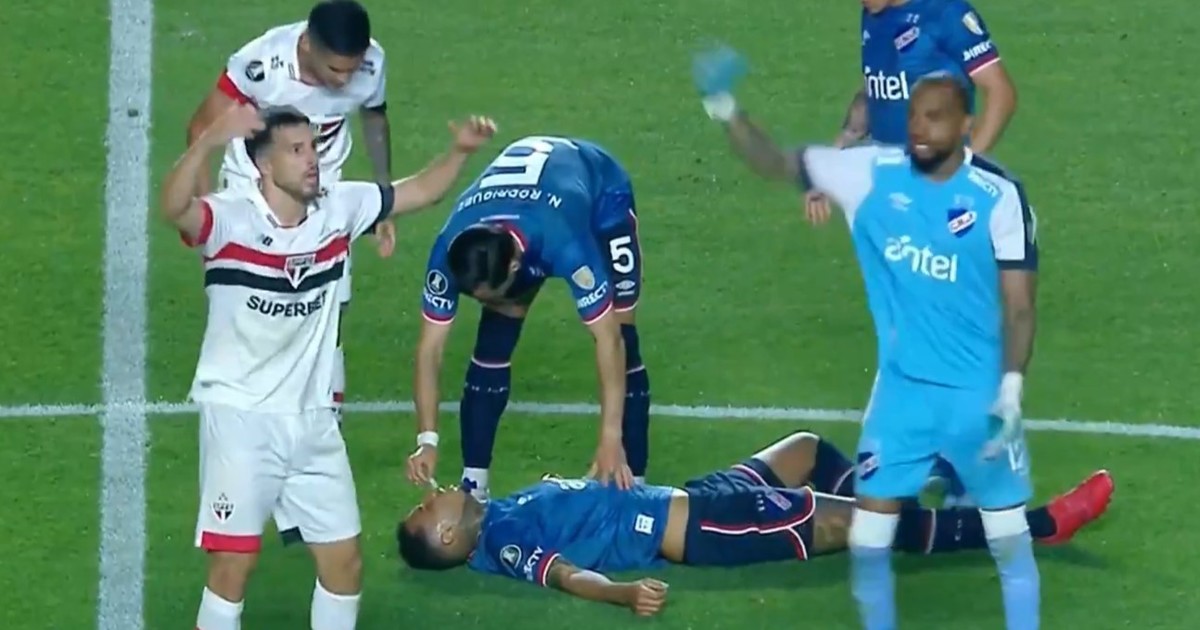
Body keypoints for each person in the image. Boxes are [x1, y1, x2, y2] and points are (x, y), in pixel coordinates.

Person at [694, 45, 1042, 629]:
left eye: (935, 117)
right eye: (914, 116)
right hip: (901, 395)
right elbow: (776, 162)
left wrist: (1009, 392)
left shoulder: (999, 197)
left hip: (977, 397)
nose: (920, 129)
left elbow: (1020, 306)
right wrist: (724, 106)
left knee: (1008, 539)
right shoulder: (869, 173)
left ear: (966, 123)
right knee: (870, 541)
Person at [163, 102, 495, 630]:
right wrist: (207, 142)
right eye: (296, 150)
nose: (312, 159)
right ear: (265, 165)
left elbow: (417, 192)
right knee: (232, 567)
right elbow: (175, 207)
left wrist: (458, 153)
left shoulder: (339, 207)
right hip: (242, 419)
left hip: (315, 421)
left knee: (345, 564)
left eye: (313, 147)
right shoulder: (231, 219)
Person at [396, 430, 1113, 617]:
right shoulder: (503, 541)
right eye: (428, 509)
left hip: (691, 497)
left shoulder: (492, 515)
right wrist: (622, 593)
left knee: (804, 451)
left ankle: (913, 497)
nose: (435, 496)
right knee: (867, 523)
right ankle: (1036, 526)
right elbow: (565, 576)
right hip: (706, 528)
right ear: (449, 539)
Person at [185, 0, 398, 545]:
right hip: (251, 201)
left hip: (319, 205)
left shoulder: (370, 62)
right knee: (261, 331)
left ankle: (305, 480)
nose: (344, 80)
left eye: (351, 70)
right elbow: (201, 126)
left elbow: (375, 118)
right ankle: (253, 463)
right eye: (334, 70)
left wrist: (383, 199)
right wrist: (210, 219)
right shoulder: (260, 66)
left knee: (327, 324)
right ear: (307, 47)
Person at [817, 0, 1020, 507]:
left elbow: (1000, 91)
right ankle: (947, 458)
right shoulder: (874, 15)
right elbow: (875, 88)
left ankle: (963, 464)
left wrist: (965, 175)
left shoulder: (945, 14)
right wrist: (839, 148)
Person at [405, 135, 651, 502]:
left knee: (623, 334)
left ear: (514, 266)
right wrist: (427, 439)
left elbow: (608, 339)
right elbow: (430, 350)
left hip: (601, 192)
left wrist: (609, 437)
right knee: (495, 334)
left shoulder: (565, 243)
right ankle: (475, 485)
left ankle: (635, 489)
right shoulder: (447, 252)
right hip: (529, 209)